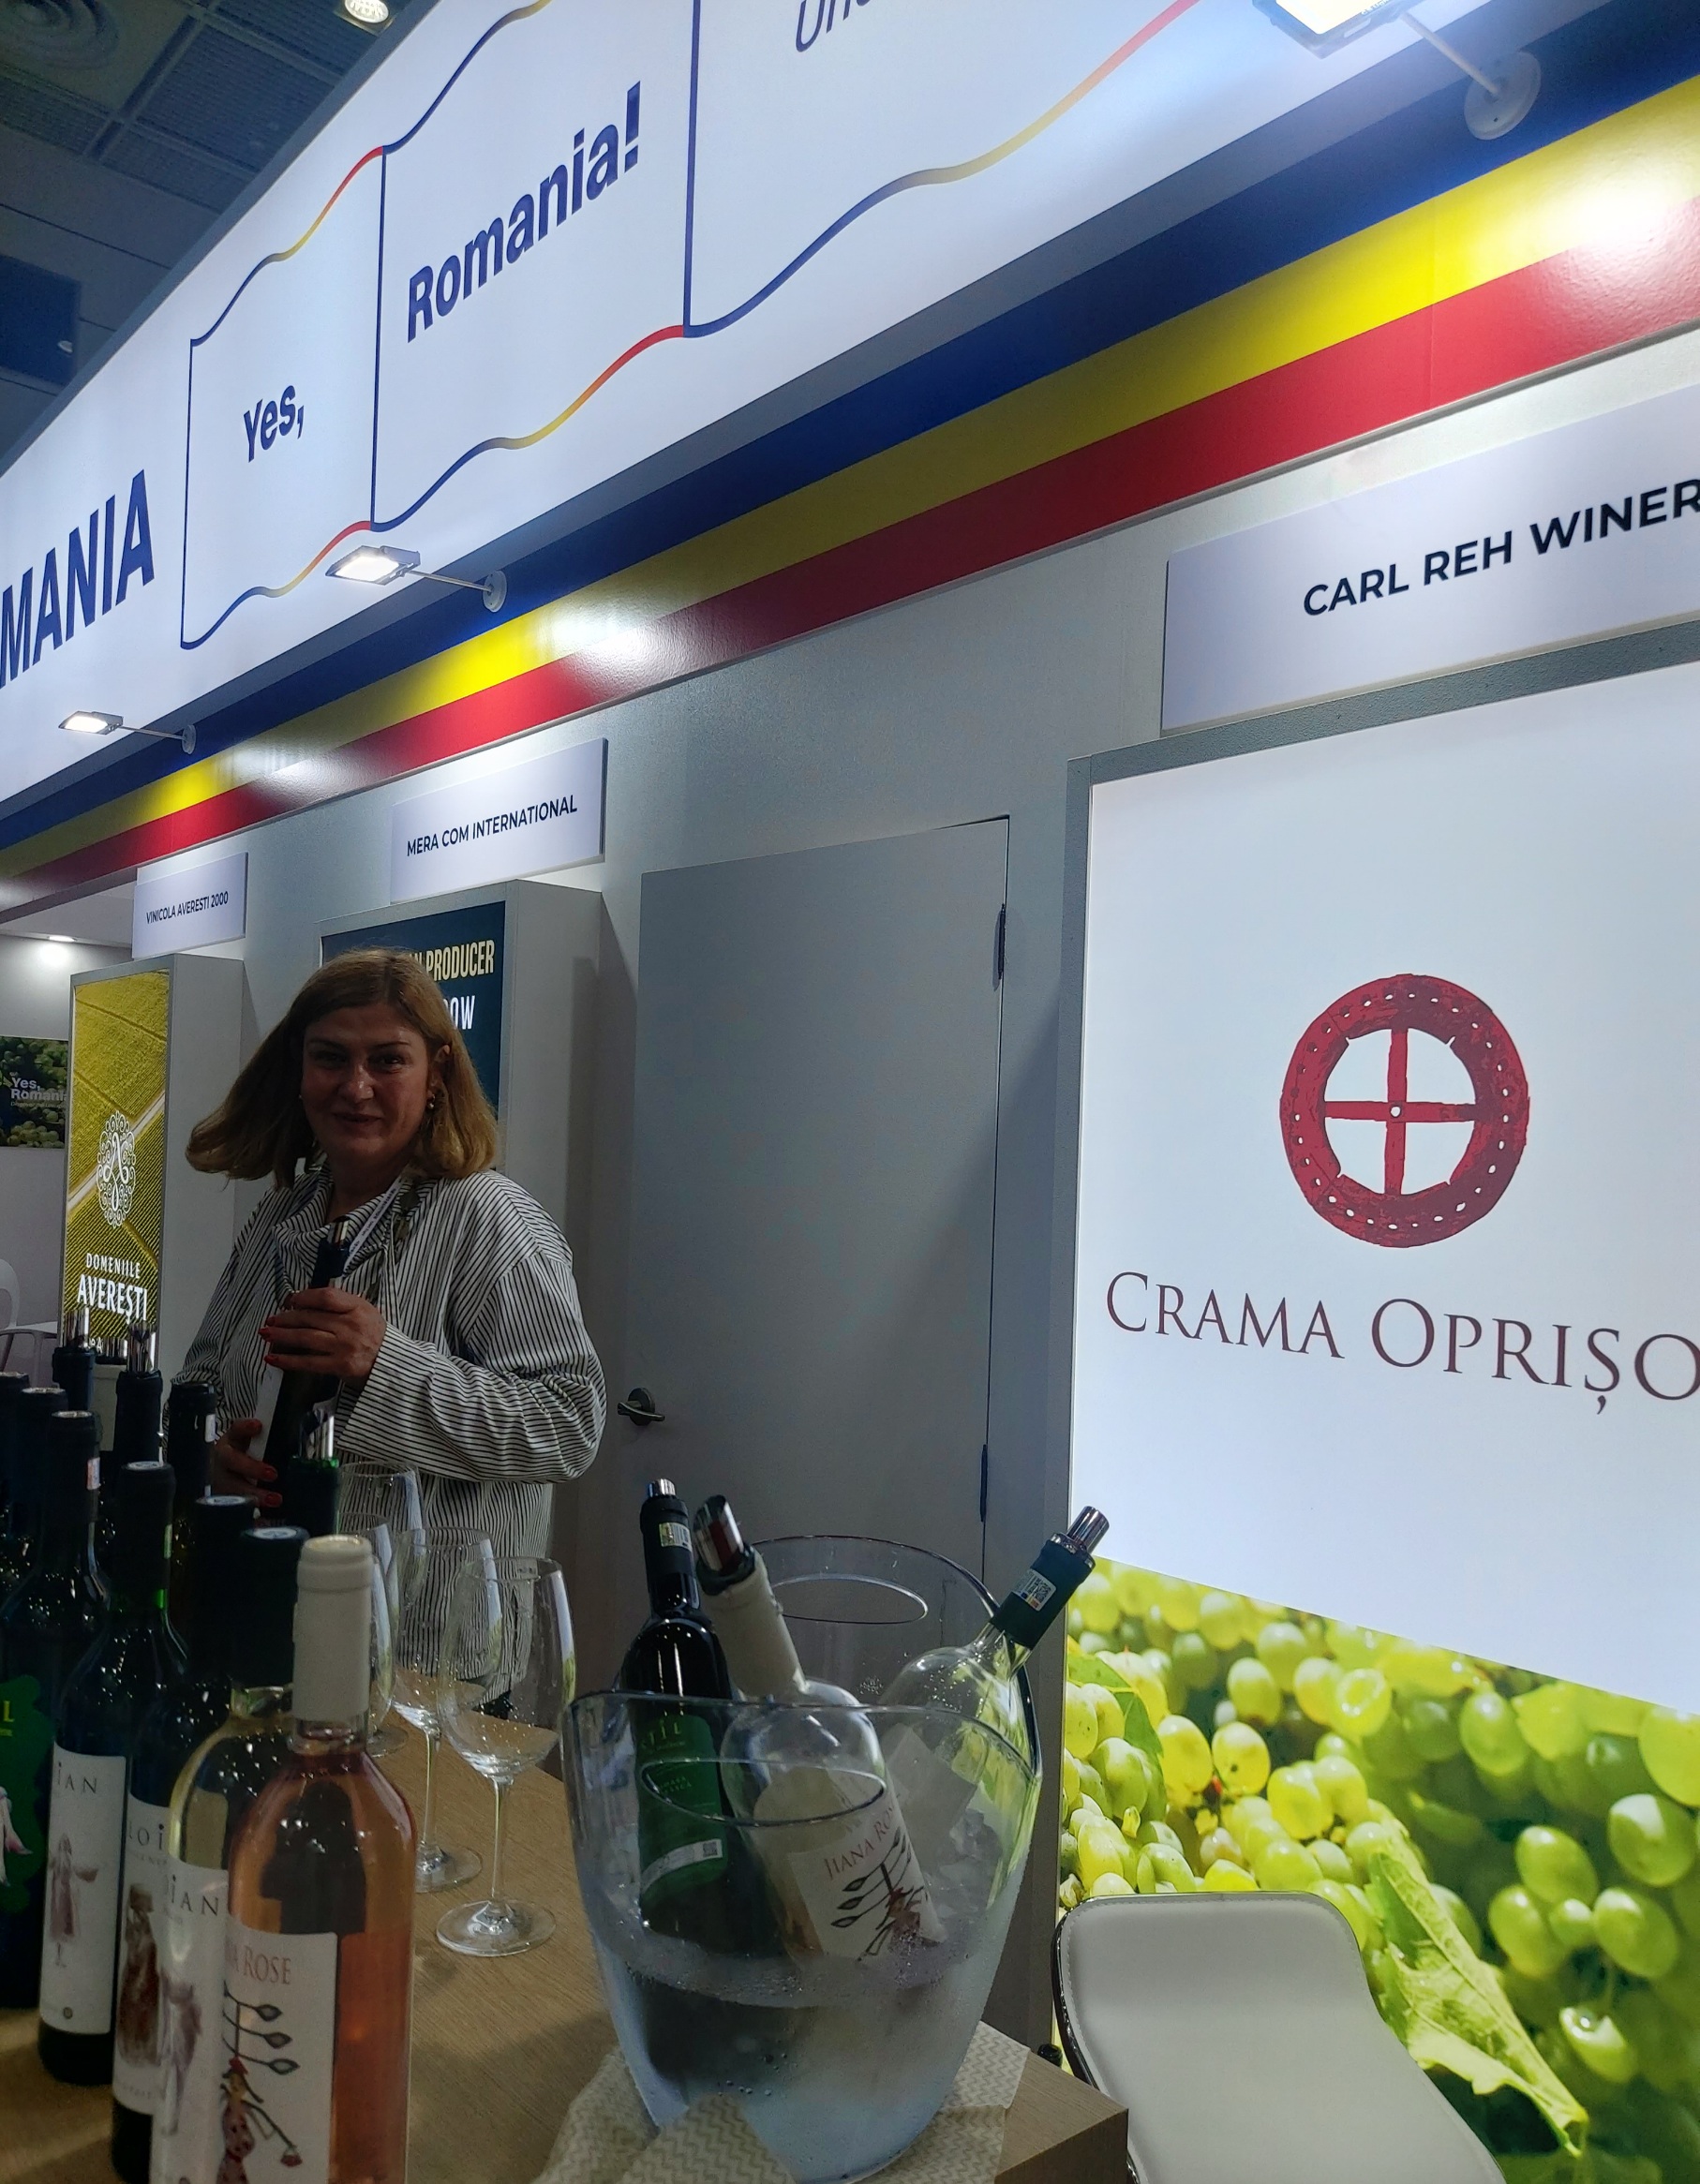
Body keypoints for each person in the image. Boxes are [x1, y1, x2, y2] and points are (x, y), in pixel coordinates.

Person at [179, 950, 604, 1568]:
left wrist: (387, 1366)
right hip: (267, 1589)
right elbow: (199, 1383)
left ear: (437, 1073)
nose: (356, 1087)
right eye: (331, 1057)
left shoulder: (489, 1218)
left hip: (424, 1618)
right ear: (299, 1066)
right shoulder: (280, 1214)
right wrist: (212, 1455)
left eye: (388, 1060)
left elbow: (568, 1421)